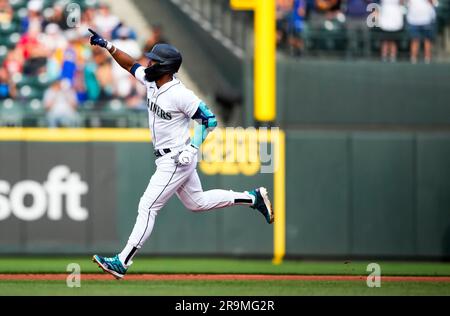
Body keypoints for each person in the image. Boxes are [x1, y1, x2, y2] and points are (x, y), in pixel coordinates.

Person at [88, 29, 274, 279]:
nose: (149, 62)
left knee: (148, 206)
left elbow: (209, 120)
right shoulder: (152, 80)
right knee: (196, 203)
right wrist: (108, 46)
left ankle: (123, 261)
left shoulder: (180, 94)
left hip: (176, 158)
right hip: (168, 156)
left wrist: (192, 147)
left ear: (165, 67)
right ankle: (253, 198)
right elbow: (130, 65)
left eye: (153, 60)